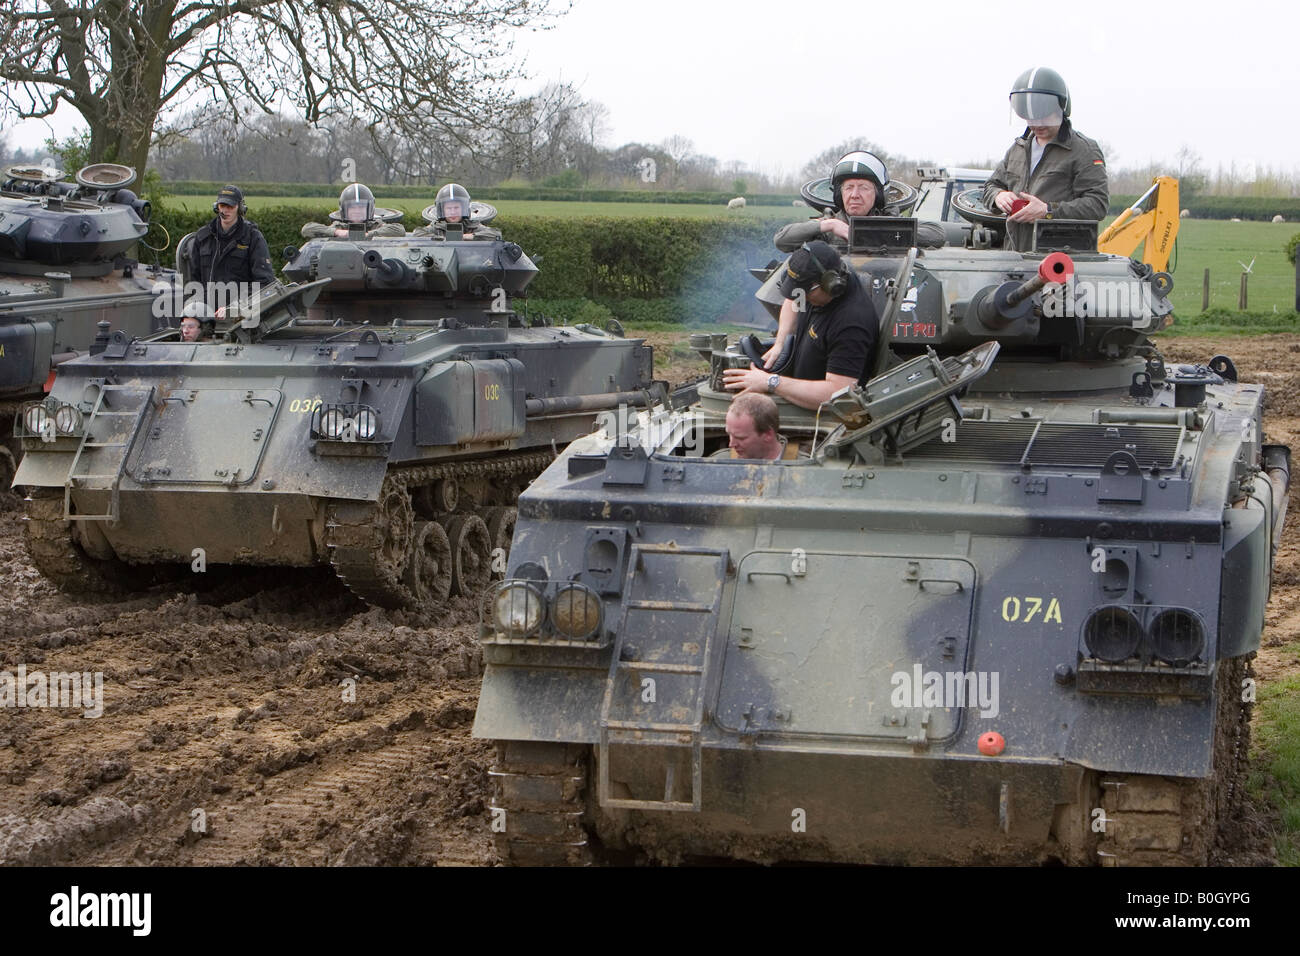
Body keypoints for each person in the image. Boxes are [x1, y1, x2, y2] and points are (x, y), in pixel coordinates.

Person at [723, 240, 877, 410]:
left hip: (818, 416)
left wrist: (771, 382)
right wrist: (780, 342)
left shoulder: (851, 324)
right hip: (797, 393)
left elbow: (838, 393)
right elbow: (793, 299)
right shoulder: (819, 286)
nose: (800, 297)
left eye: (805, 292)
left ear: (831, 284)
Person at [982, 67, 1109, 252]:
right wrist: (998, 196)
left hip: (1058, 259)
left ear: (1061, 110)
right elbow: (990, 186)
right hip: (1013, 257)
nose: (1037, 124)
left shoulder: (1083, 150)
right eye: (1031, 118)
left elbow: (1097, 204)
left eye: (1044, 117)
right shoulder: (1017, 149)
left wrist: (1048, 211)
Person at [775, 150, 944, 253]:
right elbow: (782, 240)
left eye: (863, 187)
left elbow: (936, 234)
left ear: (878, 194)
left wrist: (882, 232)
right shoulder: (829, 226)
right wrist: (830, 225)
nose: (855, 195)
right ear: (839, 194)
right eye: (849, 187)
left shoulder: (890, 220)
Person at [187, 185, 275, 287]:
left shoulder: (253, 237)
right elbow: (193, 280)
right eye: (222, 206)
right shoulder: (203, 237)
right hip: (207, 301)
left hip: (243, 301)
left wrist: (238, 302)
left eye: (230, 206)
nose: (225, 210)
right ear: (216, 207)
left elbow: (264, 281)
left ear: (240, 208)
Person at [709, 393, 803, 460]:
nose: (731, 444)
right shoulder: (719, 463)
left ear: (768, 435)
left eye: (740, 438)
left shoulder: (805, 469)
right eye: (729, 434)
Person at [300, 183, 405, 239]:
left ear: (370, 208)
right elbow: (307, 229)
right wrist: (338, 232)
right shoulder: (339, 226)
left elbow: (399, 230)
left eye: (361, 207)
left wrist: (368, 235)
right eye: (352, 207)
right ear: (344, 209)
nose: (357, 211)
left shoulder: (376, 225)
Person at [413, 182, 502, 240]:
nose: (453, 212)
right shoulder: (437, 226)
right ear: (441, 210)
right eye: (448, 208)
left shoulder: (471, 225)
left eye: (456, 208)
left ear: (464, 208)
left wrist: (469, 237)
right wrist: (444, 239)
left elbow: (496, 235)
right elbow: (418, 234)